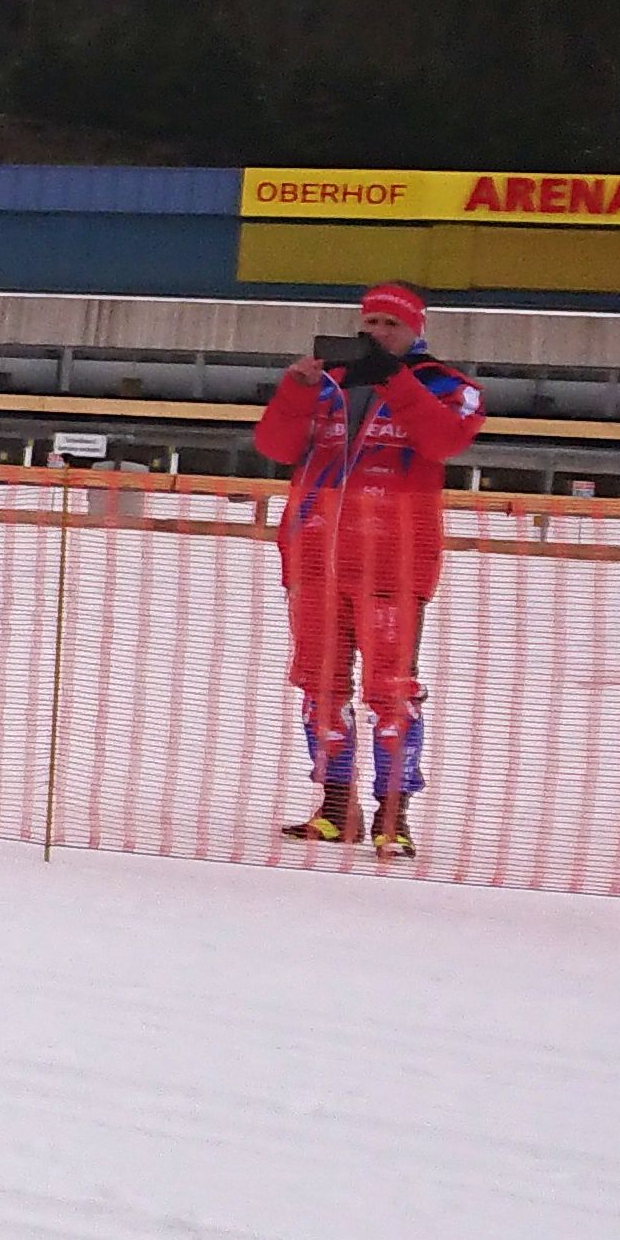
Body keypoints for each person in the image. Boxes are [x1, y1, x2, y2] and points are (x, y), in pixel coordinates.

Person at [251, 280, 488, 858]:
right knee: (319, 684)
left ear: (416, 331)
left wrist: (394, 381)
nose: (377, 333)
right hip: (313, 557)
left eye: (391, 325)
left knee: (391, 689)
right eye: (370, 324)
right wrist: (296, 389)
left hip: (394, 563)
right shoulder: (328, 381)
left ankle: (394, 815)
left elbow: (444, 441)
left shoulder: (448, 386)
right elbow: (277, 448)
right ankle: (336, 809)